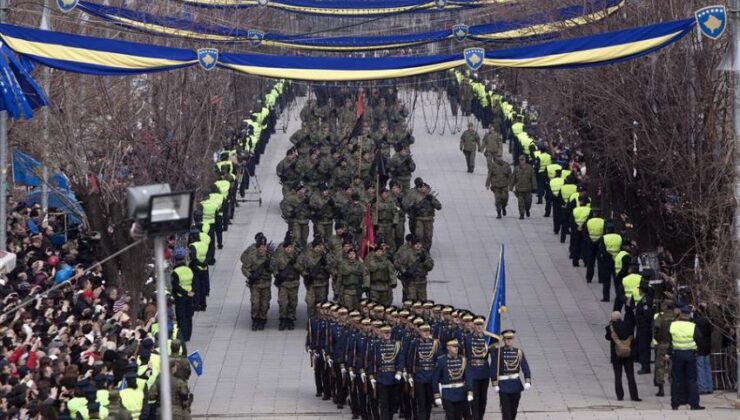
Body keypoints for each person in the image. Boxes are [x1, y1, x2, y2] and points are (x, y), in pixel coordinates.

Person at [491, 329, 532, 420]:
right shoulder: (498, 352)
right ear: (504, 340)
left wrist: (527, 380)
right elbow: (493, 368)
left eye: (511, 338)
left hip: (515, 384)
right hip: (503, 384)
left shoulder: (518, 352)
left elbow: (525, 367)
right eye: (507, 339)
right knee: (506, 411)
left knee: (514, 409)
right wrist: (494, 383)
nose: (509, 340)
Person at [668, 306, 704, 410]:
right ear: (689, 315)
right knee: (691, 380)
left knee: (676, 380)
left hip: (677, 354)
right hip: (690, 355)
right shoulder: (692, 326)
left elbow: (669, 340)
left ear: (680, 314)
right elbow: (700, 340)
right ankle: (694, 404)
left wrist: (668, 353)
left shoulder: (673, 325)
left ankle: (675, 403)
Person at [432, 339, 474, 420]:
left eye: (457, 347)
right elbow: (435, 379)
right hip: (448, 393)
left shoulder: (463, 360)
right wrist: (436, 395)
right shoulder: (441, 361)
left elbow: (468, 377)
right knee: (450, 416)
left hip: (460, 393)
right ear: (448, 347)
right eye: (454, 346)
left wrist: (470, 391)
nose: (456, 348)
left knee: (458, 416)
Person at [605, 310, 640, 401]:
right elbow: (632, 337)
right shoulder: (628, 325)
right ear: (620, 317)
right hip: (628, 354)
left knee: (618, 376)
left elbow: (607, 337)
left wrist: (610, 325)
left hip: (616, 355)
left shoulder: (610, 327)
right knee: (630, 376)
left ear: (612, 319)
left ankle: (620, 396)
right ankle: (634, 396)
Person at [372, 324, 405, 420]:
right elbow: (372, 360)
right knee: (384, 403)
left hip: (394, 377)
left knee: (393, 402)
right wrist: (372, 375)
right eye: (385, 333)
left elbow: (401, 359)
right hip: (382, 377)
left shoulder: (397, 344)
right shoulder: (376, 345)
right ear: (381, 333)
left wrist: (399, 370)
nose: (387, 334)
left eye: (389, 332)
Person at [409, 323, 441, 420]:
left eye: (428, 331)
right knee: (421, 402)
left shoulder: (435, 343)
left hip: (431, 376)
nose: (426, 333)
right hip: (420, 376)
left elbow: (439, 360)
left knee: (428, 402)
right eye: (424, 331)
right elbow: (410, 360)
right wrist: (410, 374)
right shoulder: (415, 343)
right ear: (420, 332)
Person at [241, 236, 273, 330]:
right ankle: (255, 319)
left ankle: (262, 320)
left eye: (264, 247)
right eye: (260, 247)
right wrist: (250, 276)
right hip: (255, 284)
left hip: (266, 284)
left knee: (264, 304)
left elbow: (275, 268)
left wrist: (270, 266)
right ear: (258, 247)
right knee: (255, 303)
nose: (262, 249)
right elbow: (244, 268)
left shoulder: (269, 257)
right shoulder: (252, 256)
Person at [464, 317, 492, 420]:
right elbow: (464, 355)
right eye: (477, 325)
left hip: (484, 371)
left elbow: (493, 355)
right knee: (474, 397)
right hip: (472, 370)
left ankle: (480, 417)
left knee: (483, 398)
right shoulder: (468, 338)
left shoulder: (488, 338)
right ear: (473, 326)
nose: (480, 327)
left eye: (481, 325)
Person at [272, 237, 301, 331]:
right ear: (284, 248)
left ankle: (290, 319)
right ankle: (283, 319)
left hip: (294, 283)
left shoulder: (297, 256)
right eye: (287, 248)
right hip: (284, 283)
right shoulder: (279, 257)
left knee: (293, 303)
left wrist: (296, 264)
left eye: (291, 247)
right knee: (283, 303)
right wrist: (277, 275)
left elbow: (302, 267)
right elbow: (274, 268)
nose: (289, 249)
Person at [652, 300, 675, 397]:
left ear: (666, 306)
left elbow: (656, 330)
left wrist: (658, 340)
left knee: (660, 366)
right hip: (673, 344)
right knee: (672, 366)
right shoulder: (676, 318)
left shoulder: (660, 318)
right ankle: (673, 387)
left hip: (662, 344)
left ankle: (661, 388)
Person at [171, 248, 194, 342]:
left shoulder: (175, 273)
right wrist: (190, 292)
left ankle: (183, 336)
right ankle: (188, 335)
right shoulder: (189, 270)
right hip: (189, 297)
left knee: (181, 317)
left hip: (180, 298)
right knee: (189, 317)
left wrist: (185, 293)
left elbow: (176, 287)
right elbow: (192, 283)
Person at [694, 302, 714, 395]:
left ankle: (703, 387)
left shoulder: (697, 321)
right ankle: (709, 386)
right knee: (707, 366)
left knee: (700, 367)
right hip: (707, 345)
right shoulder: (709, 321)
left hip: (700, 346)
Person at [510, 154, 537, 219]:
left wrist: (534, 186)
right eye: (520, 160)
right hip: (519, 189)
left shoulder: (530, 168)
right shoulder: (516, 168)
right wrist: (511, 186)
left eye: (523, 160)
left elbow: (533, 177)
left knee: (528, 202)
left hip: (528, 189)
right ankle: (521, 214)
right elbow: (513, 178)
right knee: (520, 203)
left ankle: (527, 210)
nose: (521, 161)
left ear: (525, 160)